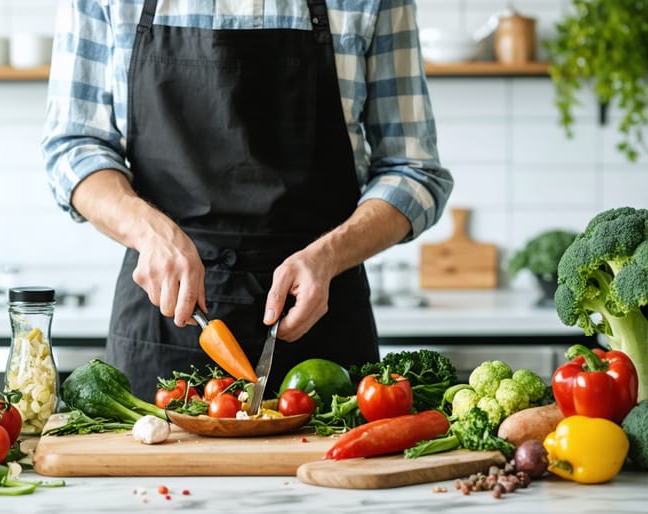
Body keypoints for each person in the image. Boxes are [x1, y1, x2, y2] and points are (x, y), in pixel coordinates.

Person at [41, 0, 454, 401]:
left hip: (322, 329)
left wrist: (330, 253)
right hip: (163, 321)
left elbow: (414, 169)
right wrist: (148, 232)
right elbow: (73, 148)